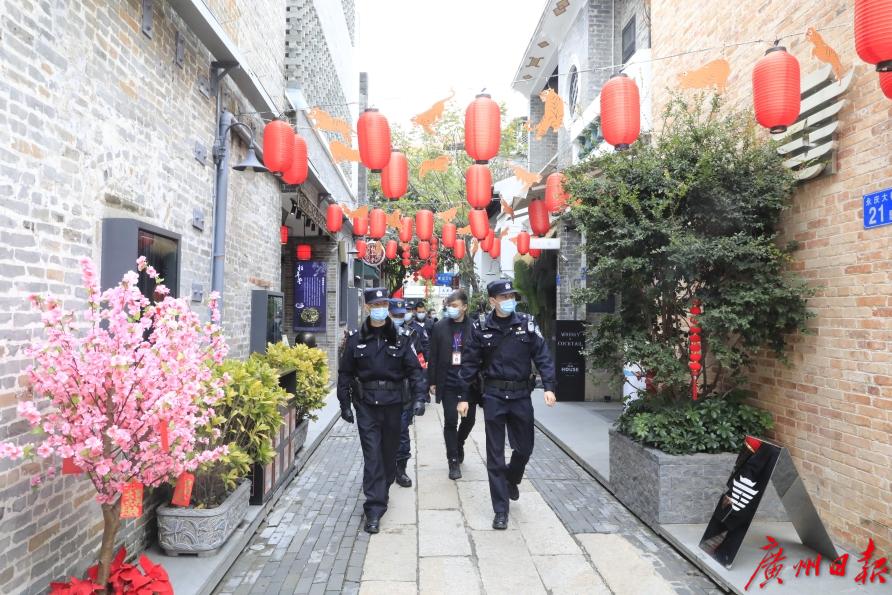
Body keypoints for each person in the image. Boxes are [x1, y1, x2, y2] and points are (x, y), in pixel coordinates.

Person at [456, 280, 557, 530]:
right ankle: (500, 510)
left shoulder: (526, 324)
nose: (509, 300)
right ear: (493, 301)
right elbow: (469, 364)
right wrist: (463, 397)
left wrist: (549, 386)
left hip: (521, 395)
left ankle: (512, 477)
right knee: (495, 455)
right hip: (494, 396)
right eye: (504, 297)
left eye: (511, 296)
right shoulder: (481, 327)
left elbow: (543, 355)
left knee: (524, 448)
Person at [338, 288, 427, 534]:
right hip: (366, 405)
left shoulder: (401, 337)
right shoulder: (355, 339)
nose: (380, 308)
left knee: (388, 456)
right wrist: (344, 404)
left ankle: (384, 486)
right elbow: (345, 373)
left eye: (384, 304)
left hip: (393, 405)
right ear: (367, 307)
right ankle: (374, 508)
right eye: (375, 304)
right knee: (372, 456)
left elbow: (414, 371)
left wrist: (420, 398)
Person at [429, 289, 480, 480]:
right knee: (450, 421)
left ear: (464, 307)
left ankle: (459, 442)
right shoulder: (439, 327)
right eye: (449, 306)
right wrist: (432, 381)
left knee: (469, 420)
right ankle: (453, 460)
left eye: (455, 305)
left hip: (469, 382)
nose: (451, 308)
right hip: (448, 381)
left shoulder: (474, 327)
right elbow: (433, 355)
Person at [389, 298, 426, 488]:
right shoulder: (373, 333)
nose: (398, 318)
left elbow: (419, 365)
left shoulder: (411, 334)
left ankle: (400, 469)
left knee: (402, 432)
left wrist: (420, 396)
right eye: (395, 315)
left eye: (401, 315)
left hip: (404, 393)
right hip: (380, 395)